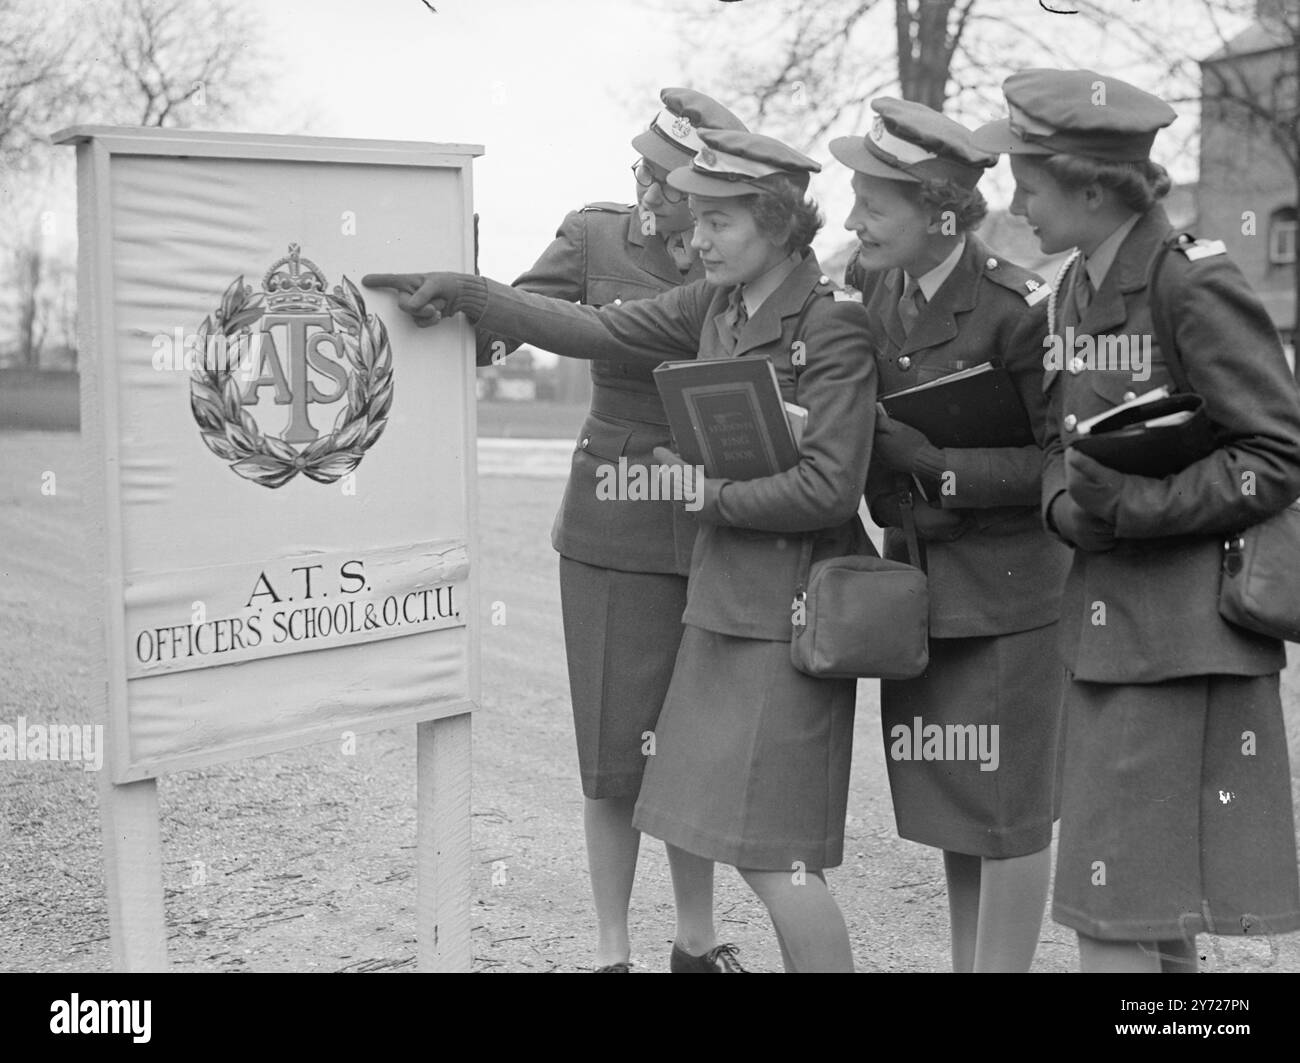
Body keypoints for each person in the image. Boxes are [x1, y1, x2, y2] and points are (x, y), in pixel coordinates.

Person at [364, 128, 877, 972]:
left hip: (790, 612)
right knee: (731, 830)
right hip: (723, 602)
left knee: (778, 855)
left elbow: (829, 487)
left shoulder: (831, 327)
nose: (695, 240)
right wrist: (471, 294)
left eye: (718, 222)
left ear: (780, 223)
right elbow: (593, 326)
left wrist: (704, 495)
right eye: (696, 219)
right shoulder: (716, 306)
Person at [972, 67, 1300, 972]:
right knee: (1149, 914)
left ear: (1089, 187)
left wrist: (1132, 510)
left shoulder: (1190, 281)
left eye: (1029, 186)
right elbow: (1054, 438)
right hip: (1109, 633)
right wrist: (1061, 506)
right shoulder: (1076, 284)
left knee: (1111, 912)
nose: (1016, 202)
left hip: (1182, 640)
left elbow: (1275, 456)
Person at [472, 88, 748, 973]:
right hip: (612, 526)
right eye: (642, 167)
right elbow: (512, 322)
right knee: (613, 749)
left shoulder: (740, 255)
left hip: (715, 517)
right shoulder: (595, 236)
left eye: (664, 176)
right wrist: (469, 315)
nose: (645, 187)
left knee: (694, 746)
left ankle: (696, 944)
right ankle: (611, 953)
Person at [832, 98, 1072, 972]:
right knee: (956, 808)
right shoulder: (874, 284)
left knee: (1009, 810)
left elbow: (1066, 465)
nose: (855, 219)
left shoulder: (1022, 310)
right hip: (924, 590)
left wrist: (938, 464)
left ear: (942, 215)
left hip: (1013, 597)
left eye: (874, 205)